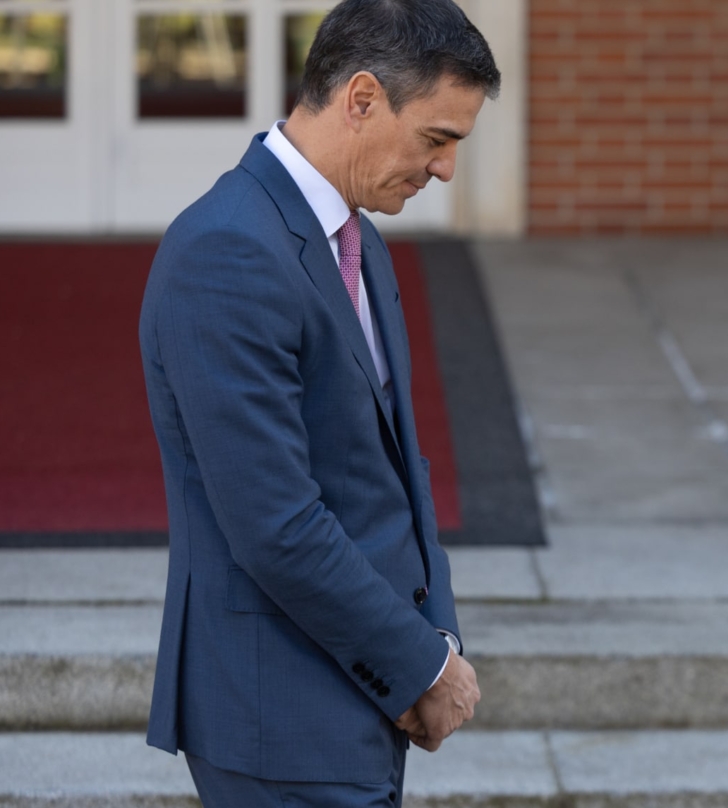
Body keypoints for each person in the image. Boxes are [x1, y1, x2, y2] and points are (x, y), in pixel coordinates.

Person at [137, 1, 500, 804]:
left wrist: (435, 638)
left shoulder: (356, 237)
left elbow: (400, 467)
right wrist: (422, 666)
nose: (444, 170)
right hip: (279, 720)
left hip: (359, 696)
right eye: (436, 139)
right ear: (362, 99)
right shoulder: (226, 250)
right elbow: (276, 524)